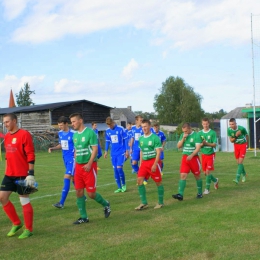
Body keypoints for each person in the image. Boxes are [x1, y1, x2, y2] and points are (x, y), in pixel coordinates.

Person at [69, 113, 111, 224]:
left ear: (80, 121)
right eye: (71, 122)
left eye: (74, 121)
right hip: (78, 167)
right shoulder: (75, 135)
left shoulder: (90, 133)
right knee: (78, 191)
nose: (72, 124)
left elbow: (95, 149)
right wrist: (74, 168)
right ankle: (84, 217)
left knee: (91, 194)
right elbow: (76, 151)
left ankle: (106, 204)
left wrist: (89, 163)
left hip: (89, 166)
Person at [0, 113, 36, 239]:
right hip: (9, 174)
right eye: (4, 122)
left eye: (7, 122)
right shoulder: (7, 136)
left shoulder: (24, 134)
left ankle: (29, 229)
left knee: (24, 200)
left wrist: (30, 174)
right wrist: (6, 172)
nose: (5, 124)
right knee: (2, 197)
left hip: (22, 174)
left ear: (14, 121)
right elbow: (7, 157)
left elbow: (30, 154)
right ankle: (16, 223)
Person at [135, 119, 164, 210]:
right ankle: (144, 203)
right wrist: (140, 163)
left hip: (153, 162)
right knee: (139, 181)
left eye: (145, 126)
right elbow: (141, 151)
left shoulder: (154, 137)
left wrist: (155, 164)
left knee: (158, 182)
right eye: (142, 127)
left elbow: (158, 152)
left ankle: (160, 202)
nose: (144, 128)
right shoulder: (141, 138)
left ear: (149, 127)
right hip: (144, 163)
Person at [48, 116, 75, 209]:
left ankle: (61, 203)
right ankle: (82, 196)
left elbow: (78, 146)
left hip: (72, 159)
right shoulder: (60, 133)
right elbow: (61, 145)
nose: (60, 127)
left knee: (67, 177)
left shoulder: (73, 134)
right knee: (73, 178)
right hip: (65, 159)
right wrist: (53, 148)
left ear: (66, 124)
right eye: (59, 125)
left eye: (61, 125)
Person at [172, 123, 203, 201]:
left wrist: (192, 155)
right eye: (184, 131)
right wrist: (183, 138)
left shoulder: (196, 135)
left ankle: (199, 193)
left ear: (190, 129)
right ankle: (180, 194)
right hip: (185, 158)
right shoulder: (183, 135)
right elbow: (178, 146)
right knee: (183, 175)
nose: (185, 132)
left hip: (194, 158)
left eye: (186, 131)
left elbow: (198, 148)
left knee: (197, 176)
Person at [104, 117, 129, 193]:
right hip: (113, 153)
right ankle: (119, 187)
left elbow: (125, 139)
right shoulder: (107, 131)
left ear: (113, 122)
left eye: (110, 125)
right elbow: (107, 142)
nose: (109, 127)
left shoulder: (120, 129)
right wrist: (106, 151)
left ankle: (124, 185)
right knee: (115, 170)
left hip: (121, 152)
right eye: (108, 125)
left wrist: (127, 150)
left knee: (119, 168)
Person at [198, 118, 219, 195]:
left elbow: (214, 144)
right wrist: (201, 144)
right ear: (202, 124)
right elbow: (198, 145)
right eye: (204, 124)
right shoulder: (199, 133)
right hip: (203, 155)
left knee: (208, 171)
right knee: (206, 173)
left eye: (206, 124)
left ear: (209, 124)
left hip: (211, 154)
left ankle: (207, 189)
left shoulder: (212, 133)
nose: (205, 125)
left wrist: (206, 143)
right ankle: (215, 180)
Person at [227, 118, 249, 184]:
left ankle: (237, 178)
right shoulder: (229, 130)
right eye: (230, 124)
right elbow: (231, 141)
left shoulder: (241, 128)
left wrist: (247, 144)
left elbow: (247, 135)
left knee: (240, 162)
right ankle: (244, 174)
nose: (231, 125)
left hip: (243, 145)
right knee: (238, 163)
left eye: (233, 124)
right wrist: (236, 136)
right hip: (236, 146)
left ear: (235, 123)